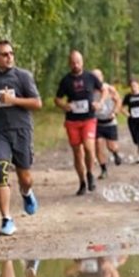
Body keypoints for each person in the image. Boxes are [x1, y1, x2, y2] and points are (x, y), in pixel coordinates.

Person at [0, 39, 42, 236]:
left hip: (21, 131)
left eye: (11, 53)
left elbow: (37, 103)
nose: (9, 57)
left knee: (25, 178)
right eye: (4, 54)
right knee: (0, 170)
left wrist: (13, 100)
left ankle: (26, 193)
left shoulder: (23, 77)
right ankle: (6, 219)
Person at [55, 50, 103, 195]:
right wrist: (64, 106)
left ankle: (90, 173)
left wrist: (99, 103)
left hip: (88, 118)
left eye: (78, 62)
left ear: (82, 62)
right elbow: (57, 99)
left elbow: (103, 90)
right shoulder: (65, 80)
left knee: (89, 148)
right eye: (73, 62)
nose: (76, 65)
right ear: (69, 63)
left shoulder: (90, 77)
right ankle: (82, 182)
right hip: (72, 121)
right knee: (77, 153)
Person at [90, 69, 124, 178]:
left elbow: (119, 101)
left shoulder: (109, 89)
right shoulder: (89, 90)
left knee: (111, 146)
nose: (96, 79)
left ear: (102, 77)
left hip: (110, 122)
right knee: (98, 145)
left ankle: (115, 153)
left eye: (98, 77)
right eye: (93, 77)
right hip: (97, 123)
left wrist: (115, 112)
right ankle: (103, 170)